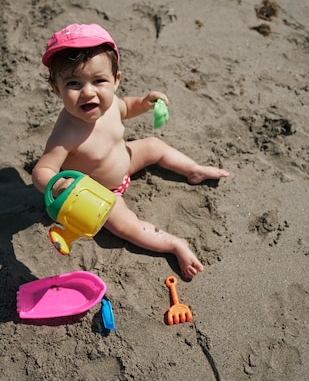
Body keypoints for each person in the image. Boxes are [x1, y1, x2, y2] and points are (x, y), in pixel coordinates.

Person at [32, 24, 230, 279]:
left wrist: (145, 103)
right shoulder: (66, 133)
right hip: (101, 193)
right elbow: (42, 170)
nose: (88, 91)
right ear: (56, 88)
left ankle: (194, 170)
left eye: (99, 81)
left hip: (126, 160)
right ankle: (174, 243)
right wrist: (58, 185)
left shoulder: (112, 102)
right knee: (126, 225)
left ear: (116, 80)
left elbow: (126, 106)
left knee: (154, 145)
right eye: (73, 83)